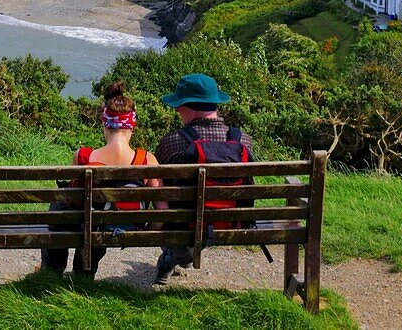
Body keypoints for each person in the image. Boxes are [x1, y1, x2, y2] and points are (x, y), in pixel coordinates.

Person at [41, 82, 163, 279]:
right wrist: (147, 231)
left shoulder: (83, 157)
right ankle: (83, 275)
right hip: (127, 227)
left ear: (105, 124)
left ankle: (52, 272)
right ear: (132, 125)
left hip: (86, 224)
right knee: (97, 222)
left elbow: (69, 199)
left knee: (65, 213)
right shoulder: (147, 160)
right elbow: (162, 210)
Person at [152, 74, 254, 285]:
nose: (177, 110)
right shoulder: (244, 141)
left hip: (184, 224)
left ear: (189, 107)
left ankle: (176, 253)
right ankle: (181, 253)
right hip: (232, 221)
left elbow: (155, 183)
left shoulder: (173, 142)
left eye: (179, 106)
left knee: (160, 196)